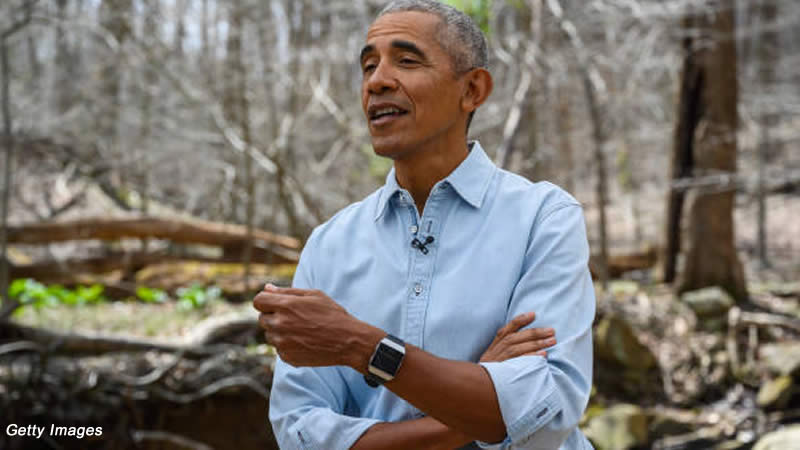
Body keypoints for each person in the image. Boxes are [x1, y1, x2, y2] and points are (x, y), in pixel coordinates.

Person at [253, 0, 595, 448]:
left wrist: (359, 344)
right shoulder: (329, 244)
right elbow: (302, 434)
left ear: (472, 90)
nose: (377, 81)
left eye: (407, 60)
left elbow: (546, 417)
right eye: (368, 65)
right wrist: (473, 407)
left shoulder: (544, 219)